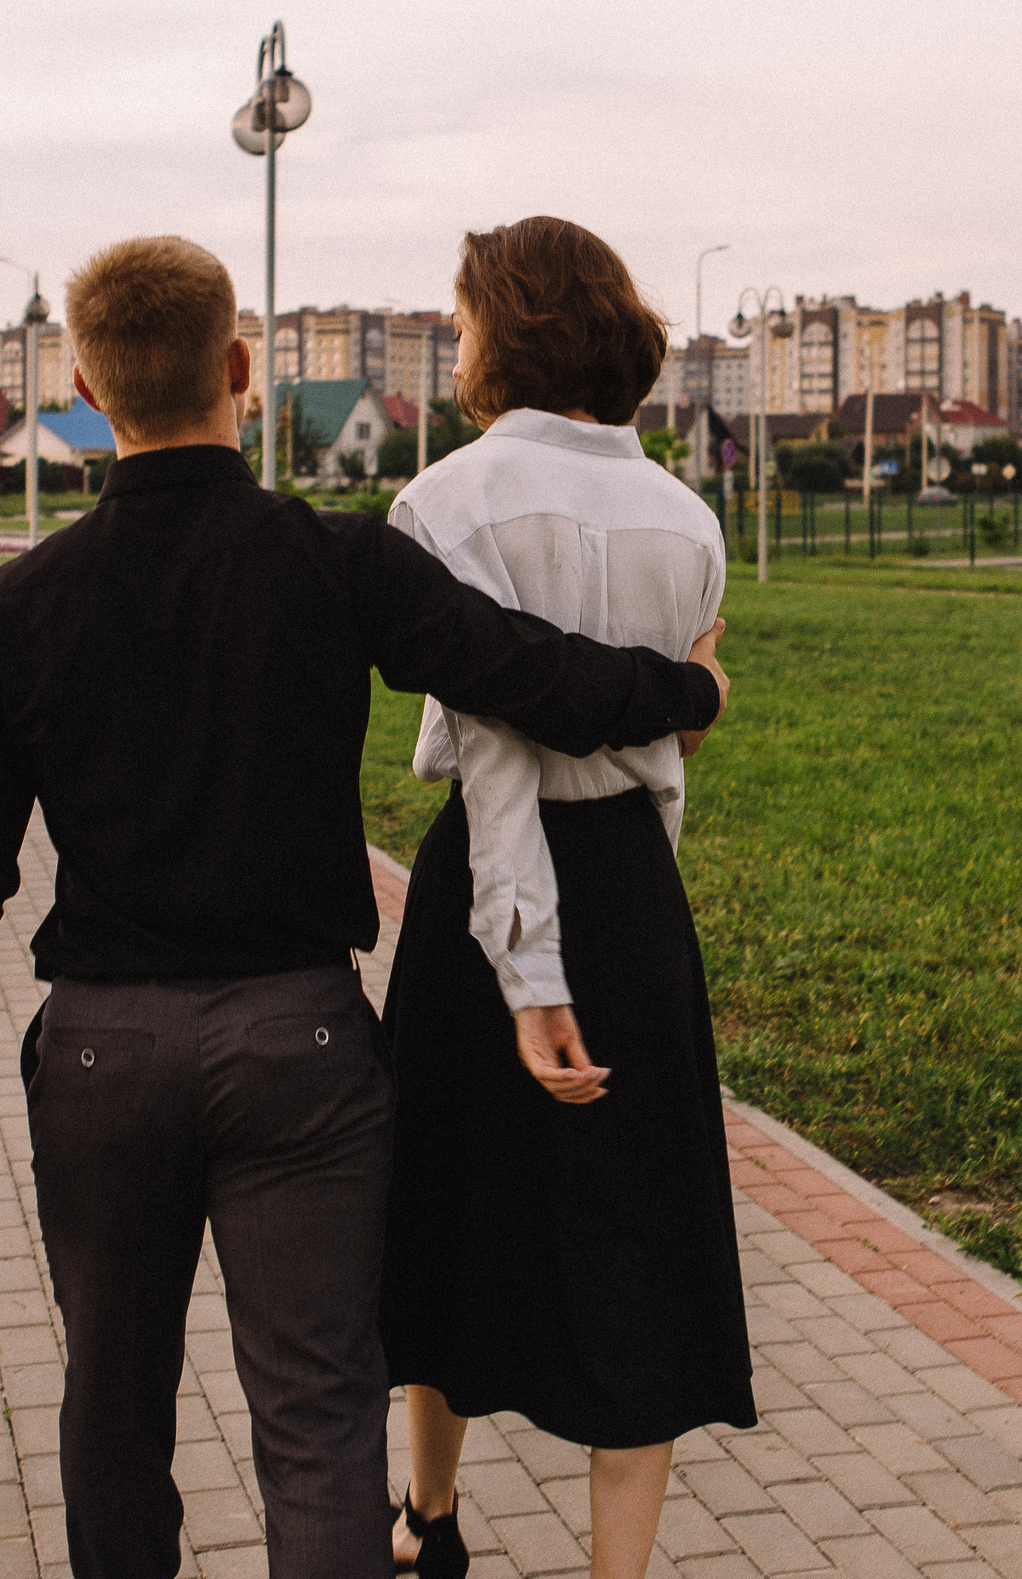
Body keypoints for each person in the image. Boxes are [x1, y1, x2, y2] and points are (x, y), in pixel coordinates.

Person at [0, 234, 729, 1579]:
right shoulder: (333, 561)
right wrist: (688, 693)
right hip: (303, 1050)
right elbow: (532, 679)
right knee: (317, 1415)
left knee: (111, 1404)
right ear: (240, 367)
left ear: (92, 391)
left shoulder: (15, 608)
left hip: (101, 1056)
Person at [381, 218, 755, 1579]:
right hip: (633, 896)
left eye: (466, 313)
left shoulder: (443, 505)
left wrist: (529, 975)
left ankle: (428, 1518)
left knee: (445, 1209)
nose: (458, 337)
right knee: (638, 1239)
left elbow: (494, 764)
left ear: (509, 326)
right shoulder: (692, 517)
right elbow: (665, 754)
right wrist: (633, 913)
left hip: (491, 893)